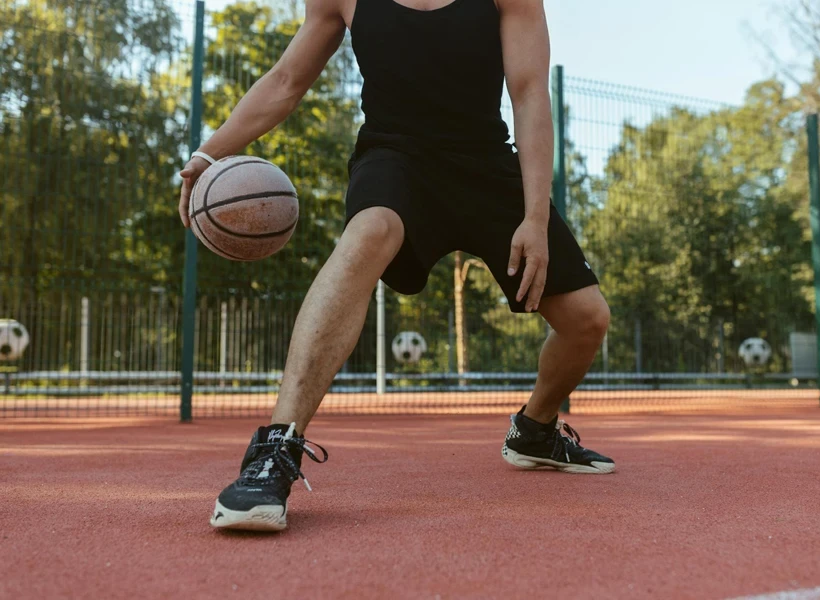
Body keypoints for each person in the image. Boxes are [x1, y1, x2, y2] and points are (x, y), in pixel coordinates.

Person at [179, 0, 615, 533]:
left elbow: (527, 94)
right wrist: (207, 154)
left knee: (587, 320)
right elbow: (287, 78)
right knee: (370, 231)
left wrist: (534, 217)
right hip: (393, 158)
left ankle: (535, 430)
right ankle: (274, 450)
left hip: (485, 164)